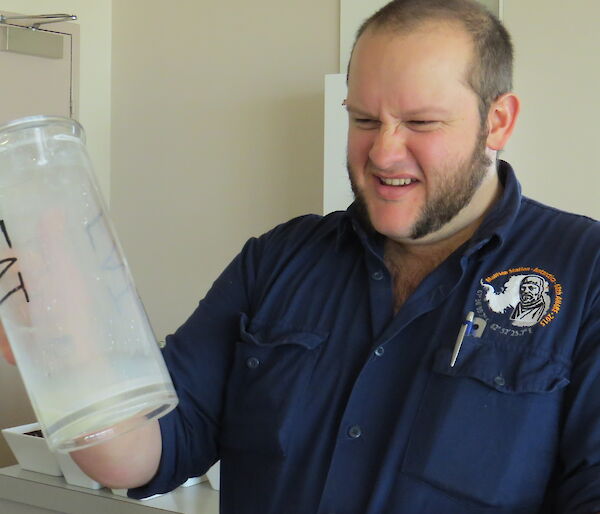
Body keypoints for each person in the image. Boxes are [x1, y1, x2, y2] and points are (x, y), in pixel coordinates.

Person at [2, 0, 600, 512]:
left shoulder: (586, 271)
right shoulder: (277, 261)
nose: (385, 153)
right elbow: (147, 452)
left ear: (497, 122)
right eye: (364, 119)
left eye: (421, 122)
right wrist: (63, 348)